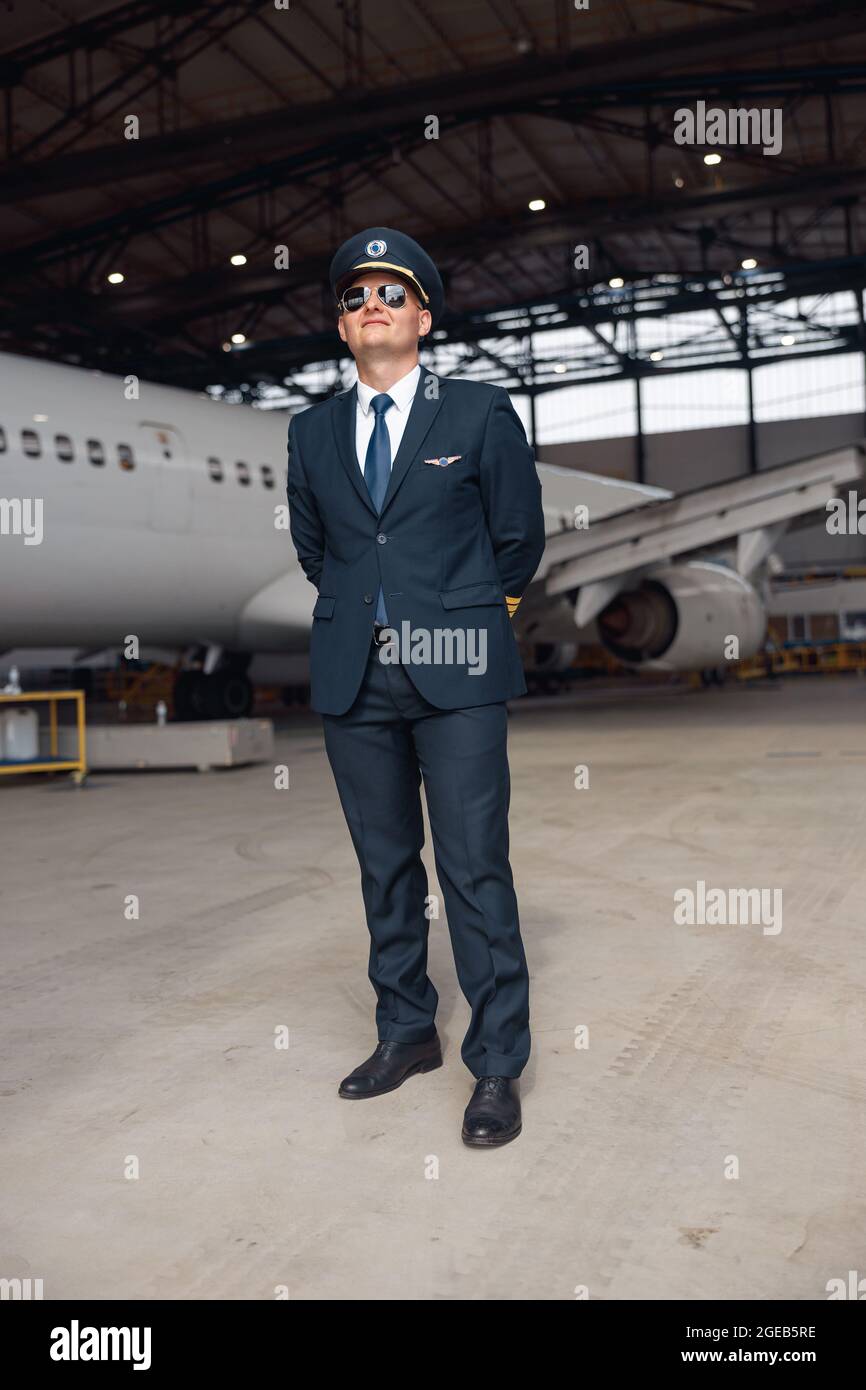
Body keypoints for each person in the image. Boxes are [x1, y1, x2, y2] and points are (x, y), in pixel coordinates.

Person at [286, 227, 546, 1147]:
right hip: (354, 672)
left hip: (459, 667)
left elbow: (518, 536)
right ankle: (405, 1031)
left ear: (423, 319)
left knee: (473, 866)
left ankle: (497, 1063)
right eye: (355, 297)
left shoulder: (477, 412)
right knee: (385, 865)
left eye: (391, 294)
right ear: (342, 328)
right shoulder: (311, 431)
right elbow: (317, 549)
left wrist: (465, 617)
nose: (373, 306)